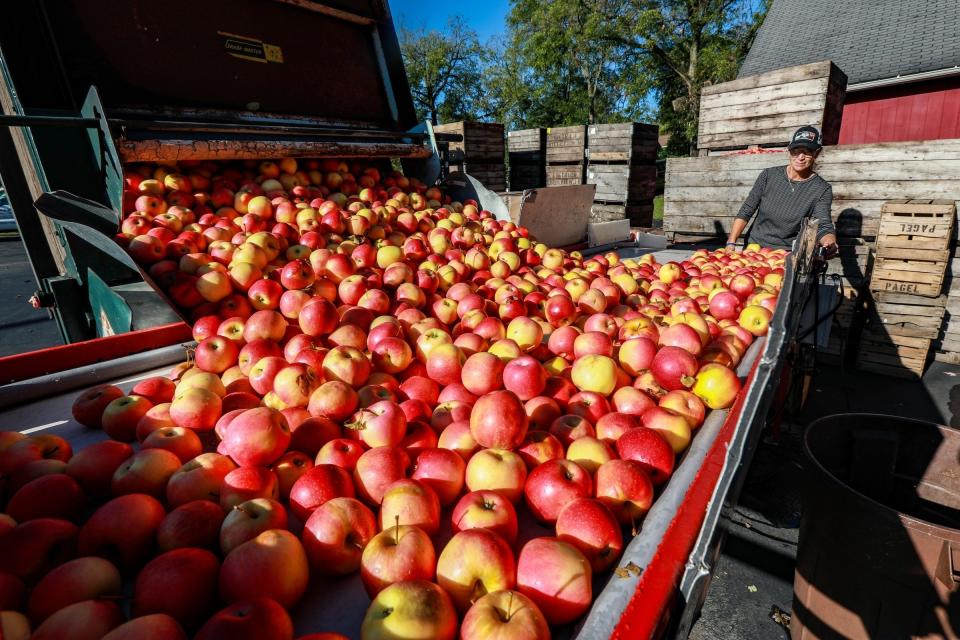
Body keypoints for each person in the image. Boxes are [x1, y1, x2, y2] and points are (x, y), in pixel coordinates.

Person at [725, 126, 838, 256]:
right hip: (753, 248)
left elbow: (823, 225)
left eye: (807, 151)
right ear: (789, 151)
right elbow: (747, 210)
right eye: (796, 150)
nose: (800, 157)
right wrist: (731, 242)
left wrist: (829, 242)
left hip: (786, 254)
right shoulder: (769, 175)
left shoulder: (821, 189)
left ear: (816, 153)